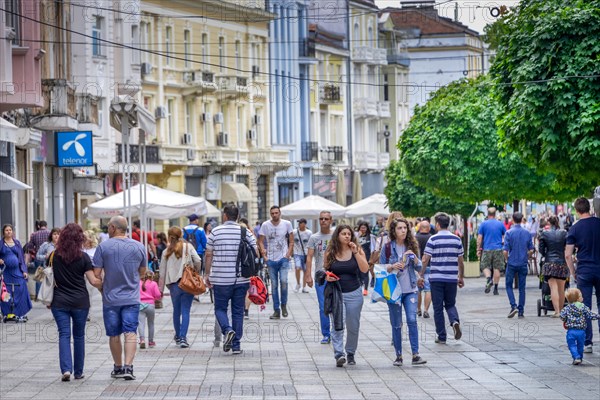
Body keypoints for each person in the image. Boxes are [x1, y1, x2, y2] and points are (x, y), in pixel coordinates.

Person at [93, 216, 147, 380]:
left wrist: (103, 287)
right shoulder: (139, 247)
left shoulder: (103, 247)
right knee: (131, 332)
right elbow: (143, 272)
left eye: (108, 227)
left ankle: (118, 367)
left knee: (114, 334)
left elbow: (96, 275)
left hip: (111, 298)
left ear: (113, 228)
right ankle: (129, 367)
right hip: (131, 298)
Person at [50, 223, 102, 381]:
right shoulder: (83, 257)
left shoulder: (54, 256)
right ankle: (78, 372)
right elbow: (93, 281)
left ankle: (66, 369)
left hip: (59, 301)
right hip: (80, 302)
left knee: (64, 335)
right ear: (80, 238)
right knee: (79, 336)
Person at [205, 203, 257, 355]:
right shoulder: (245, 231)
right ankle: (236, 345)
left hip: (220, 279)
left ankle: (227, 330)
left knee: (220, 309)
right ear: (238, 216)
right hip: (241, 279)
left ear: (225, 215)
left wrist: (207, 274)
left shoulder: (215, 231)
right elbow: (255, 252)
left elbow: (208, 255)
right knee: (238, 311)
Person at [379, 218, 427, 366]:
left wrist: (416, 260)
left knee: (412, 320)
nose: (403, 231)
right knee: (396, 324)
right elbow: (380, 269)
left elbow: (419, 268)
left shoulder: (412, 246)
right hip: (394, 291)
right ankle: (398, 355)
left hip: (411, 289)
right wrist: (392, 266)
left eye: (405, 228)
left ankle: (415, 354)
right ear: (394, 231)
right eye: (400, 228)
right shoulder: (387, 248)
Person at [323, 224, 369, 367]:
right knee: (338, 325)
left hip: (354, 293)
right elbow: (325, 270)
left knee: (353, 326)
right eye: (343, 234)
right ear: (338, 235)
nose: (347, 236)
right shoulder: (331, 251)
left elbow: (365, 268)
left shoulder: (357, 249)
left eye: (349, 234)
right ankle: (339, 354)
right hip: (337, 293)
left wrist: (355, 252)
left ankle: (350, 353)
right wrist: (327, 277)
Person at [421, 212, 465, 344]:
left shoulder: (433, 239)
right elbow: (461, 261)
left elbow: (425, 259)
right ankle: (454, 321)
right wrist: (460, 277)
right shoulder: (456, 239)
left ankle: (441, 336)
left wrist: (421, 274)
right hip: (451, 278)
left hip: (436, 278)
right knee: (450, 304)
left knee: (438, 307)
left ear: (438, 224)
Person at [565, 198, 600, 354]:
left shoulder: (575, 229)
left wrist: (573, 273)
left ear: (577, 211)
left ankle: (587, 342)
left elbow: (568, 255)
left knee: (585, 307)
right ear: (589, 207)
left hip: (584, 271)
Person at [158, 226, 201, 348]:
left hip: (173, 285)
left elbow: (162, 272)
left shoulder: (166, 252)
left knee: (176, 311)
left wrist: (160, 290)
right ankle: (183, 337)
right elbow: (198, 260)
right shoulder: (188, 247)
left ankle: (178, 336)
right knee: (185, 310)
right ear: (180, 235)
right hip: (187, 283)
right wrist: (195, 272)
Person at [258, 205, 294, 319]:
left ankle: (283, 304)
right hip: (271, 259)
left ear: (280, 213)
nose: (274, 215)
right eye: (272, 213)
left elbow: (292, 241)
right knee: (274, 286)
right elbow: (260, 241)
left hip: (283, 258)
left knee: (284, 281)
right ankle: (276, 310)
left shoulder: (287, 224)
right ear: (270, 214)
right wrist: (264, 255)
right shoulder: (265, 225)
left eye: (276, 213)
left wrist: (288, 254)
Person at [305, 211, 334, 344]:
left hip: (336, 275)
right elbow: (309, 257)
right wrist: (308, 276)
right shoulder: (314, 237)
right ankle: (326, 334)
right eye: (321, 219)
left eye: (326, 219)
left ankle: (337, 332)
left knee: (337, 305)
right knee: (323, 306)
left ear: (331, 220)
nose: (323, 221)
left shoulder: (336, 235)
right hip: (320, 275)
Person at [503, 212, 534, 318]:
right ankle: (521, 311)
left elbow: (505, 251)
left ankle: (513, 305)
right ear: (522, 219)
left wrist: (507, 259)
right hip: (523, 262)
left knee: (508, 285)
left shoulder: (508, 233)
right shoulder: (527, 233)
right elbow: (531, 250)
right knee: (522, 288)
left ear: (513, 219)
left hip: (511, 262)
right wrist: (527, 256)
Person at [539, 215, 569, 317]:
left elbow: (541, 250)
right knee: (562, 288)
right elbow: (569, 247)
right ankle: (561, 311)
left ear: (549, 223)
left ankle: (557, 311)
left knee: (553, 288)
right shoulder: (564, 233)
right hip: (562, 262)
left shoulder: (544, 234)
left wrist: (545, 254)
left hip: (549, 263)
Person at [560, 288, 600, 365]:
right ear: (578, 299)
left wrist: (566, 319)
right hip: (581, 331)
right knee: (580, 345)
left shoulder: (567, 308)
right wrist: (598, 316)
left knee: (571, 345)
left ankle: (576, 357)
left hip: (571, 331)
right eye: (581, 296)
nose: (583, 297)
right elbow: (590, 315)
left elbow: (562, 316)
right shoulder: (583, 307)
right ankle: (580, 358)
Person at [0, 224, 31, 321]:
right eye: (6, 230)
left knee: (21, 287)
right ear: (3, 232)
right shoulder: (1, 243)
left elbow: (21, 257)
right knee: (6, 292)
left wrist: (24, 271)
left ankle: (20, 313)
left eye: (10, 230)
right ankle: (8, 313)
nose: (9, 232)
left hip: (17, 271)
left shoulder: (17, 243)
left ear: (12, 231)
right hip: (5, 272)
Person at [477, 207, 507, 295]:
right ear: (495, 214)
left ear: (488, 213)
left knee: (484, 266)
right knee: (497, 268)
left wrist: (478, 249)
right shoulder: (500, 224)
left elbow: (479, 238)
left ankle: (488, 279)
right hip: (498, 249)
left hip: (487, 249)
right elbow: (506, 236)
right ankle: (496, 289)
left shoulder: (483, 224)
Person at [138, 271, 162, 349]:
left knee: (141, 323)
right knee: (151, 323)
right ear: (151, 276)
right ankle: (151, 341)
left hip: (141, 305)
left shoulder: (138, 283)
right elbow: (158, 295)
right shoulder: (153, 283)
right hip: (151, 305)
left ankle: (142, 340)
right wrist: (155, 298)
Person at [415, 220, 432, 318]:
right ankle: (426, 310)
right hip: (430, 266)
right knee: (428, 289)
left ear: (419, 228)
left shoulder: (415, 238)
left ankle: (418, 310)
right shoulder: (432, 238)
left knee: (418, 290)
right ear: (428, 228)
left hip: (418, 266)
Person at [82, 230, 99, 319]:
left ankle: (87, 313)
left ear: (90, 238)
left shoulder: (96, 250)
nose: (83, 239)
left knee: (88, 294)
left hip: (90, 274)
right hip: (80, 274)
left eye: (85, 237)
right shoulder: (80, 249)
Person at [293, 218, 312, 293]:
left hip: (306, 254)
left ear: (304, 224)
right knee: (297, 268)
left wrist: (311, 254)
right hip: (297, 253)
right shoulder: (294, 232)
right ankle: (298, 284)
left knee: (305, 270)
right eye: (299, 223)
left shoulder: (309, 233)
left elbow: (311, 244)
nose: (299, 224)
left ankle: (304, 287)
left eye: (301, 223)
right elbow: (291, 240)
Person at [356, 222, 374, 296]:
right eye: (361, 227)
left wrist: (371, 259)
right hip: (357, 256)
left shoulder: (370, 237)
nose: (363, 229)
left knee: (365, 273)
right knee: (358, 273)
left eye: (364, 228)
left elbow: (373, 248)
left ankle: (365, 289)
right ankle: (359, 287)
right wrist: (358, 236)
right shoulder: (356, 236)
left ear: (367, 229)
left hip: (367, 256)